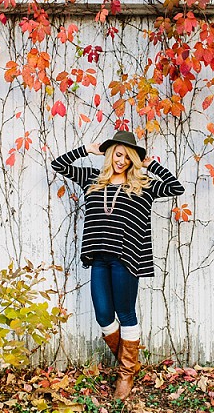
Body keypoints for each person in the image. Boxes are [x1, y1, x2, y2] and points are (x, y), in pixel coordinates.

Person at [51, 130, 185, 400]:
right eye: (118, 154)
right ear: (111, 154)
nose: (121, 160)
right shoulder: (92, 181)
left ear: (134, 159)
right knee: (103, 314)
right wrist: (87, 149)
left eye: (127, 156)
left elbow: (175, 187)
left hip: (126, 258)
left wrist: (152, 165)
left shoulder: (143, 185)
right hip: (98, 257)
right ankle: (131, 364)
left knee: (125, 313)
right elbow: (59, 165)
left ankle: (125, 375)